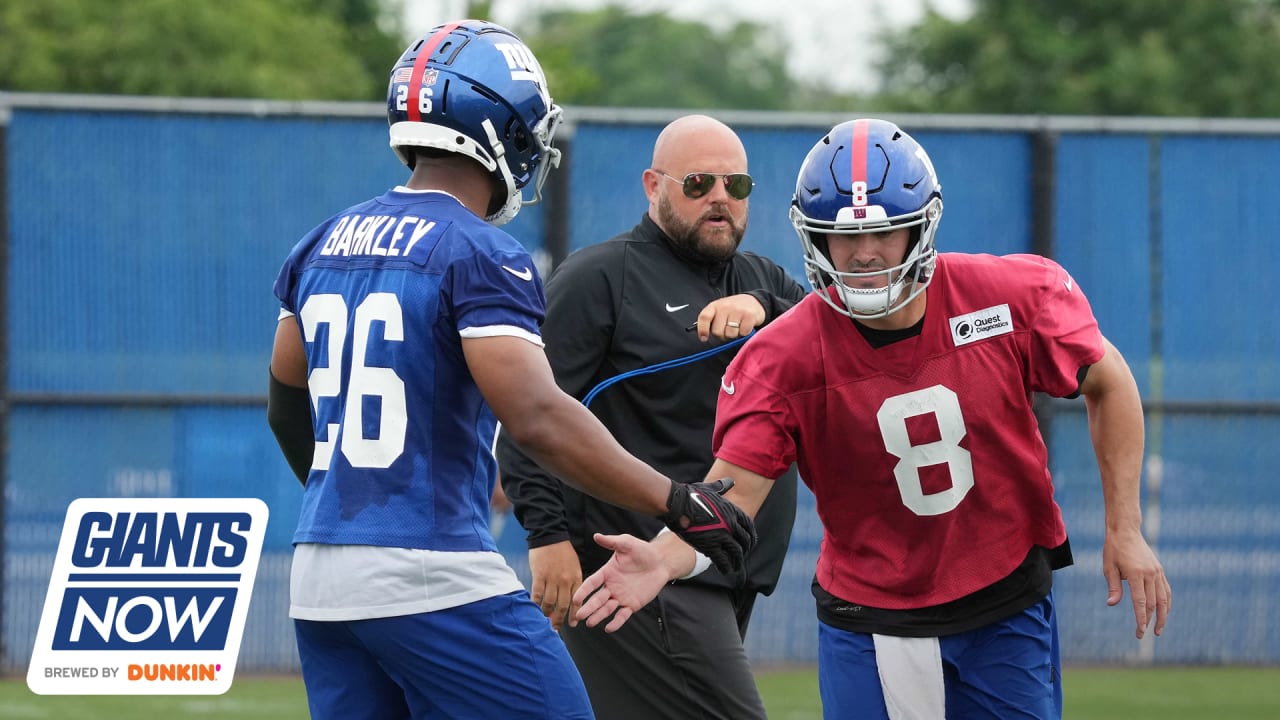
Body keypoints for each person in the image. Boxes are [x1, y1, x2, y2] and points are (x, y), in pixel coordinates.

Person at [573, 118, 1173, 719]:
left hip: (1004, 602)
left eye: (885, 233)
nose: (863, 253)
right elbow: (734, 495)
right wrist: (666, 553)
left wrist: (1125, 526)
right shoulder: (782, 356)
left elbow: (1110, 381)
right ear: (813, 238)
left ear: (921, 227)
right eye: (841, 236)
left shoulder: (1009, 295)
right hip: (870, 616)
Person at [264, 20, 754, 720]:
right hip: (431, 569)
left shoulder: (322, 242)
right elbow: (538, 416)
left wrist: (351, 498)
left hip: (320, 575)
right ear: (504, 129)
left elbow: (285, 398)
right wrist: (675, 501)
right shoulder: (479, 250)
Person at [496, 114, 808, 720]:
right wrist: (548, 536)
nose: (720, 199)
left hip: (722, 568)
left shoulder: (763, 279)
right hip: (636, 564)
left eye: (735, 187)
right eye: (698, 184)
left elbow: (831, 328)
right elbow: (529, 416)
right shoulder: (600, 277)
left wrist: (764, 305)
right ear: (653, 185)